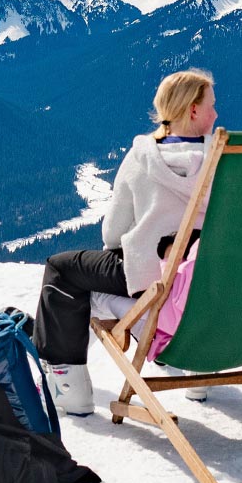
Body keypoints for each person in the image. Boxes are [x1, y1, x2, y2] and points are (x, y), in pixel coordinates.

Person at [32, 70, 217, 416]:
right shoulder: (223, 160)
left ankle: (70, 389)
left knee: (62, 269)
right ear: (193, 110)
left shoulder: (143, 157)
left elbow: (113, 233)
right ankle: (200, 371)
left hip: (155, 282)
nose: (216, 114)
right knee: (192, 281)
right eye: (211, 106)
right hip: (211, 280)